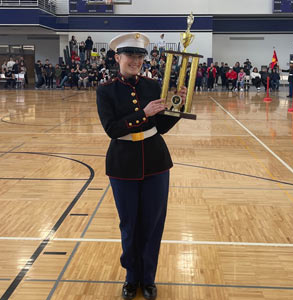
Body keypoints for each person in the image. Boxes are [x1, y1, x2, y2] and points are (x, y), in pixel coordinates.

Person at [96, 32, 187, 300]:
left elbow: (161, 127)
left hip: (156, 163)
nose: (135, 61)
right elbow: (112, 129)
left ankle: (148, 279)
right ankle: (130, 278)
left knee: (152, 224)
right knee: (129, 225)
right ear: (117, 57)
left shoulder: (152, 85)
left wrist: (177, 106)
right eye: (130, 55)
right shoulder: (106, 90)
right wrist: (142, 114)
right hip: (123, 165)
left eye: (139, 56)